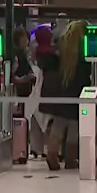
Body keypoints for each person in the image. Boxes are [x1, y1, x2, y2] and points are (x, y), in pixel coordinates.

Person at [38, 20, 92, 171]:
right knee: (74, 125)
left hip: (60, 91)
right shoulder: (83, 48)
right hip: (77, 91)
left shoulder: (60, 45)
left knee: (59, 123)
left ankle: (52, 154)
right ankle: (70, 158)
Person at [30, 26, 56, 158]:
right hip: (49, 91)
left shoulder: (38, 52)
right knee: (49, 122)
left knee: (37, 120)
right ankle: (49, 149)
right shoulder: (54, 53)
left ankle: (36, 149)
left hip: (40, 91)